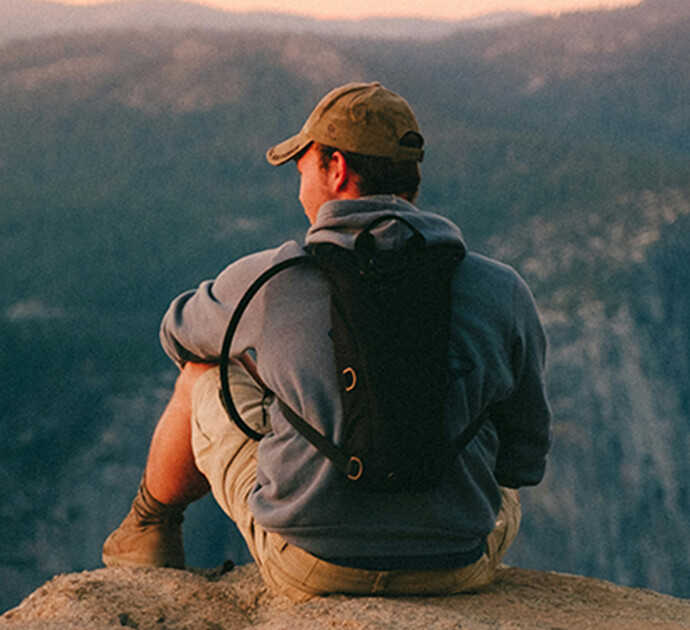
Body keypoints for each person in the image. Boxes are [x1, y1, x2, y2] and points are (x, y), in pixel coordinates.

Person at [102, 82, 552, 601]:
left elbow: (178, 334)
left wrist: (286, 376)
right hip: (454, 567)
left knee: (203, 373)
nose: (300, 186)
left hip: (309, 566)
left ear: (336, 169)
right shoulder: (501, 288)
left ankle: (148, 529)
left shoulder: (271, 280)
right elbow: (523, 460)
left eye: (302, 168)